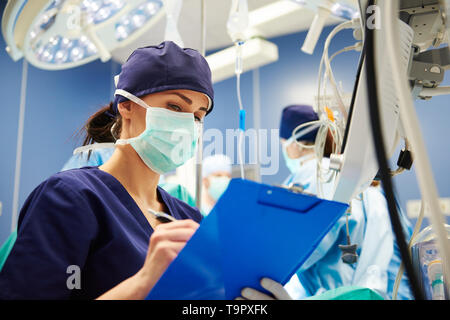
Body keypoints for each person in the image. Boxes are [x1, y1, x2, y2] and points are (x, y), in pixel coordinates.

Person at [0, 41, 218, 300]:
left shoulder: (189, 217)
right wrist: (143, 283)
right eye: (174, 107)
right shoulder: (71, 198)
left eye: (197, 116)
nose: (187, 124)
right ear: (126, 105)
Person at [279, 104, 414, 300]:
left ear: (294, 145)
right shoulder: (364, 181)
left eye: (282, 143)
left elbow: (296, 252)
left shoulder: (314, 177)